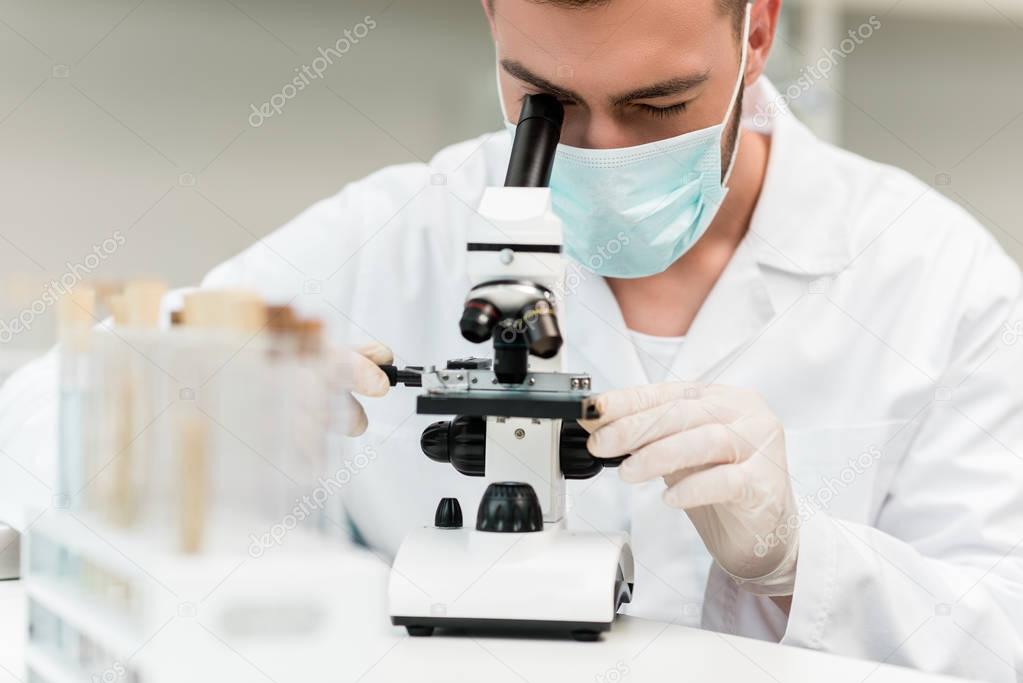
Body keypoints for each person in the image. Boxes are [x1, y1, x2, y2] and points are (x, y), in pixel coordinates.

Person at [1, 0, 1021, 678]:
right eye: (548, 103)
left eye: (658, 103)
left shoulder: (937, 280)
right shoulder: (402, 228)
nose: (603, 153)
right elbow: (22, 456)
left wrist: (800, 558)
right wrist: (197, 409)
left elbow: (1003, 631)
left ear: (758, 29)